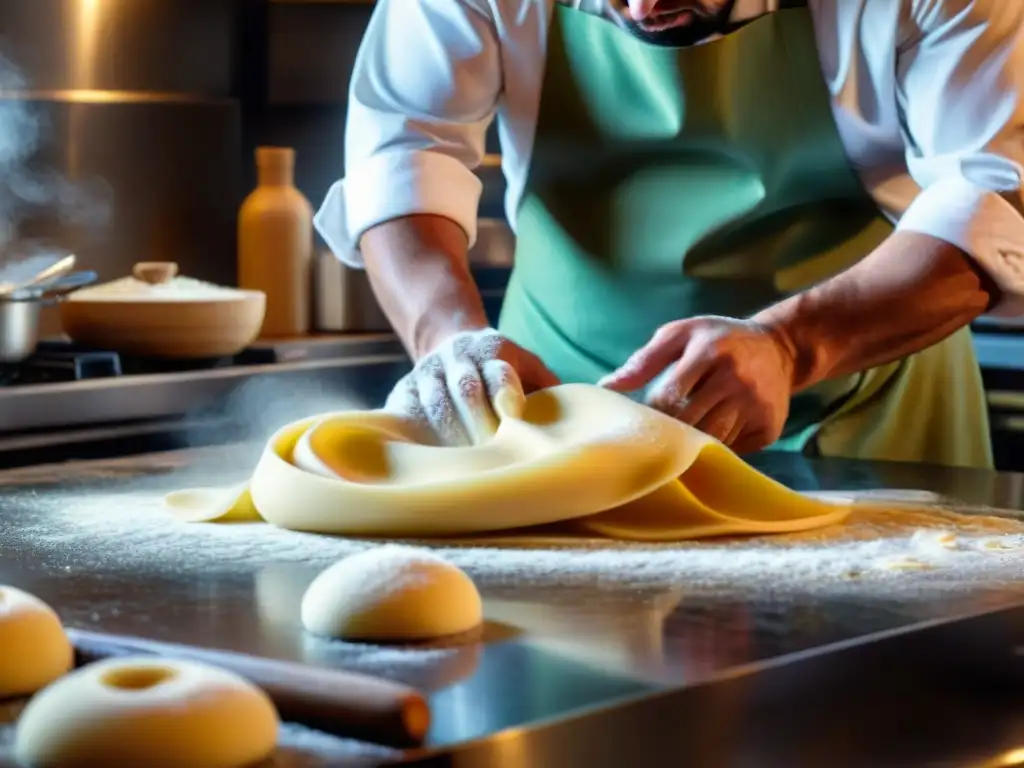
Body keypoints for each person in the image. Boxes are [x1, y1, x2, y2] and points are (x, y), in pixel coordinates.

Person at [313, 0, 1024, 469]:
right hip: (564, 421)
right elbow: (405, 154)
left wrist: (788, 346)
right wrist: (448, 341)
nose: (643, 8)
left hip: (868, 410)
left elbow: (993, 198)